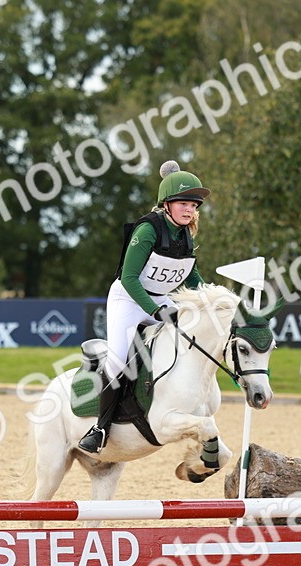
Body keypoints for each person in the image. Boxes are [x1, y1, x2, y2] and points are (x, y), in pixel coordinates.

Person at [78, 159, 211, 453]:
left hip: (160, 298)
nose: (191, 210)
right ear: (167, 204)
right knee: (117, 361)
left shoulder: (185, 234)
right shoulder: (148, 230)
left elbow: (191, 277)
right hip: (129, 299)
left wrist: (210, 300)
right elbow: (128, 278)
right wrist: (154, 311)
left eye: (194, 205)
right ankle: (100, 428)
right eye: (184, 204)